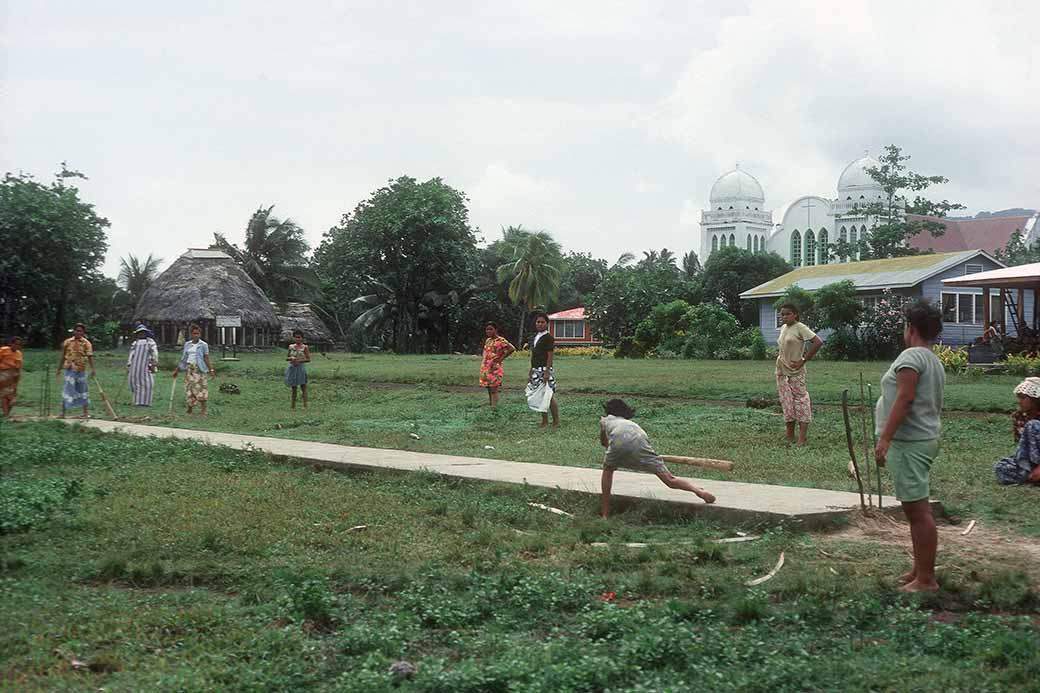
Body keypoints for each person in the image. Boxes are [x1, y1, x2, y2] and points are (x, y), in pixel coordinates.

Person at [874, 300, 945, 593]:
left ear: (911, 328)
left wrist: (885, 438)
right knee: (918, 507)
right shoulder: (931, 358)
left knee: (917, 512)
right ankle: (920, 568)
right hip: (924, 439)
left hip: (909, 443)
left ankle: (926, 580)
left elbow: (905, 398)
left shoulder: (910, 358)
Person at [599, 398, 715, 518]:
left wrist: (612, 456)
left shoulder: (605, 421)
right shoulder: (630, 423)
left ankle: (605, 514)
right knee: (670, 480)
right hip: (640, 438)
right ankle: (698, 491)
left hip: (618, 442)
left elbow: (604, 443)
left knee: (608, 470)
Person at [775, 303, 823, 445]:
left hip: (795, 372)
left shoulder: (800, 327)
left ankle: (802, 438)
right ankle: (789, 435)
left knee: (800, 401)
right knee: (786, 402)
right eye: (782, 314)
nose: (783, 317)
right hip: (781, 371)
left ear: (794, 314)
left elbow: (818, 342)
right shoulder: (784, 328)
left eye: (787, 314)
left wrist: (803, 360)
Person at [993, 377, 1040, 485]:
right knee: (1000, 466)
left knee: (1033, 425)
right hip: (1030, 462)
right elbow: (1022, 447)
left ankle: (1031, 477)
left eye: (1023, 398)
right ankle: (1032, 477)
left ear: (1035, 399)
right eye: (1019, 398)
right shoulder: (1018, 417)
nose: (1019, 402)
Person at [172, 324, 215, 415]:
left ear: (200, 334)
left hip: (199, 369)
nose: (196, 335)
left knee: (201, 389)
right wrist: (177, 370)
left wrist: (211, 370)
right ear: (191, 334)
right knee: (189, 389)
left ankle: (203, 410)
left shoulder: (203, 345)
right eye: (194, 333)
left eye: (198, 333)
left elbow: (206, 358)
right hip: (189, 369)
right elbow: (183, 358)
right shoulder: (187, 344)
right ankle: (190, 409)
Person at [526, 312, 560, 427]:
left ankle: (556, 421)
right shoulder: (536, 337)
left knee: (549, 396)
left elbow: (550, 356)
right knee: (540, 395)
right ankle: (544, 421)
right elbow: (534, 355)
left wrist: (547, 372)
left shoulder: (548, 338)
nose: (539, 324)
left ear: (547, 324)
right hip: (536, 369)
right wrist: (531, 370)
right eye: (538, 322)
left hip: (544, 369)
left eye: (542, 322)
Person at [57, 323, 95, 419]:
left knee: (83, 390)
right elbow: (63, 356)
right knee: (67, 390)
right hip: (69, 369)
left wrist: (93, 369)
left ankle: (85, 413)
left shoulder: (87, 343)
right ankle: (63, 413)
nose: (78, 332)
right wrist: (59, 368)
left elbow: (90, 357)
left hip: (81, 370)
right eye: (76, 330)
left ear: (83, 332)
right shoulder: (67, 342)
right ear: (74, 331)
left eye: (80, 331)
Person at [478, 321, 515, 408]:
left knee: (494, 389)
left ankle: (494, 408)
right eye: (487, 329)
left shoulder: (501, 340)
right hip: (486, 368)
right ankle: (491, 405)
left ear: (496, 330)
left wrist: (501, 358)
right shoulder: (488, 340)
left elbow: (512, 348)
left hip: (494, 368)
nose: (488, 331)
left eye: (491, 329)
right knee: (488, 388)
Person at [126, 324, 159, 406]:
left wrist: (154, 363)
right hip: (135, 367)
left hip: (146, 366)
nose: (142, 334)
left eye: (143, 332)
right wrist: (129, 364)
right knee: (133, 382)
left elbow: (155, 353)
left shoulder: (150, 342)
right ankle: (137, 401)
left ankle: (145, 402)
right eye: (140, 333)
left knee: (147, 383)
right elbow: (131, 355)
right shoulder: (135, 343)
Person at [285, 329, 311, 409]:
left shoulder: (305, 347)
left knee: (303, 387)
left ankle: (305, 405)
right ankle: (293, 406)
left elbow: (308, 359)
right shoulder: (291, 347)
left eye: (299, 337)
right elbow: (287, 358)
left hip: (301, 368)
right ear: (293, 338)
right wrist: (291, 358)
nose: (298, 339)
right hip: (292, 368)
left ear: (302, 338)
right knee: (294, 388)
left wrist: (299, 360)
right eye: (296, 337)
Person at [0, 336, 24, 417]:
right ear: (11, 344)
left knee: (12, 395)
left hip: (14, 375)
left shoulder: (19, 353)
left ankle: (6, 413)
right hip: (3, 373)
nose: (18, 346)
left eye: (19, 345)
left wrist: (18, 376)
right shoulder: (3, 350)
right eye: (16, 344)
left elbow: (19, 367)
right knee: (5, 395)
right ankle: (6, 415)